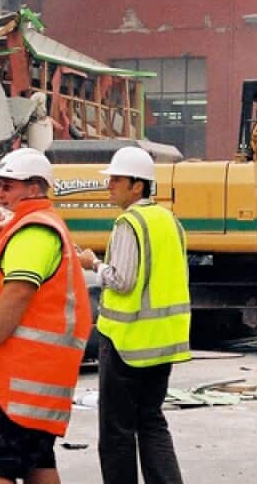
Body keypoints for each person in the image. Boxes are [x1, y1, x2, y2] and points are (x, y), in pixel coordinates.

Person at [0, 148, 93, 484]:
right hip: (30, 376)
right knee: (36, 462)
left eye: (8, 186)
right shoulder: (21, 228)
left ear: (34, 187)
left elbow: (18, 292)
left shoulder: (34, 231)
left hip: (11, 376)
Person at [77, 147, 190, 484]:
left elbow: (121, 280)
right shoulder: (169, 221)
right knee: (152, 421)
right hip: (163, 342)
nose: (110, 185)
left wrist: (93, 263)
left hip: (126, 343)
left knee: (116, 432)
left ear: (137, 186)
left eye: (116, 179)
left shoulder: (130, 223)